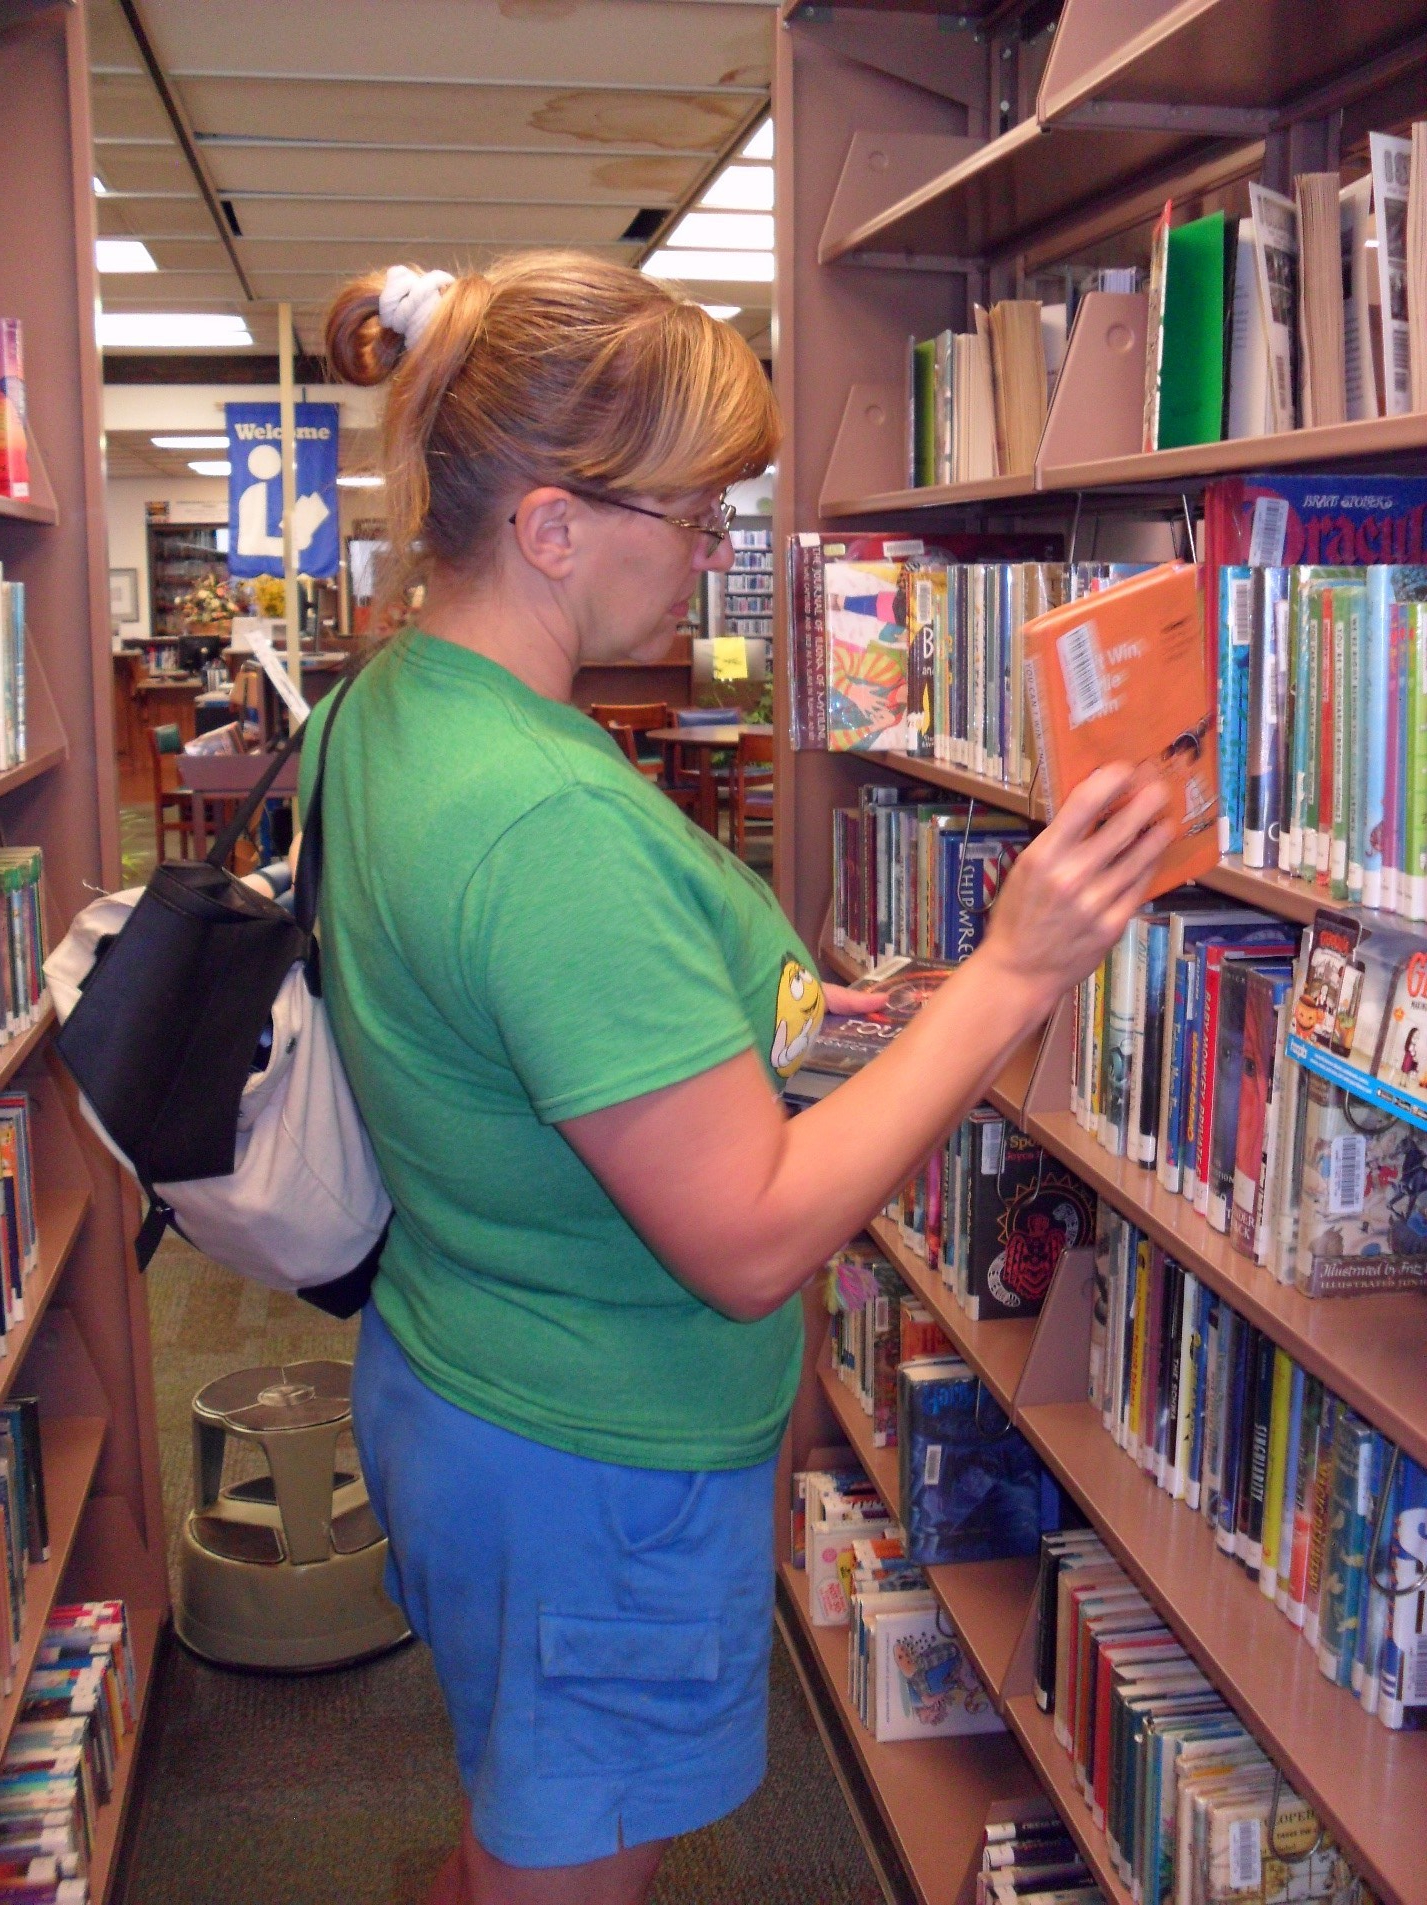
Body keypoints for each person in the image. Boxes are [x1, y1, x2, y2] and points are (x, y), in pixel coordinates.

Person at [310, 253, 1172, 1905]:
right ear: (552, 527)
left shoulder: (400, 702)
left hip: (468, 1373)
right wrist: (1015, 975)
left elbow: (553, 1024)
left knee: (515, 1823)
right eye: (698, 517)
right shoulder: (543, 817)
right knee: (563, 1871)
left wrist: (854, 1024)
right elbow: (752, 1237)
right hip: (591, 1457)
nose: (716, 556)